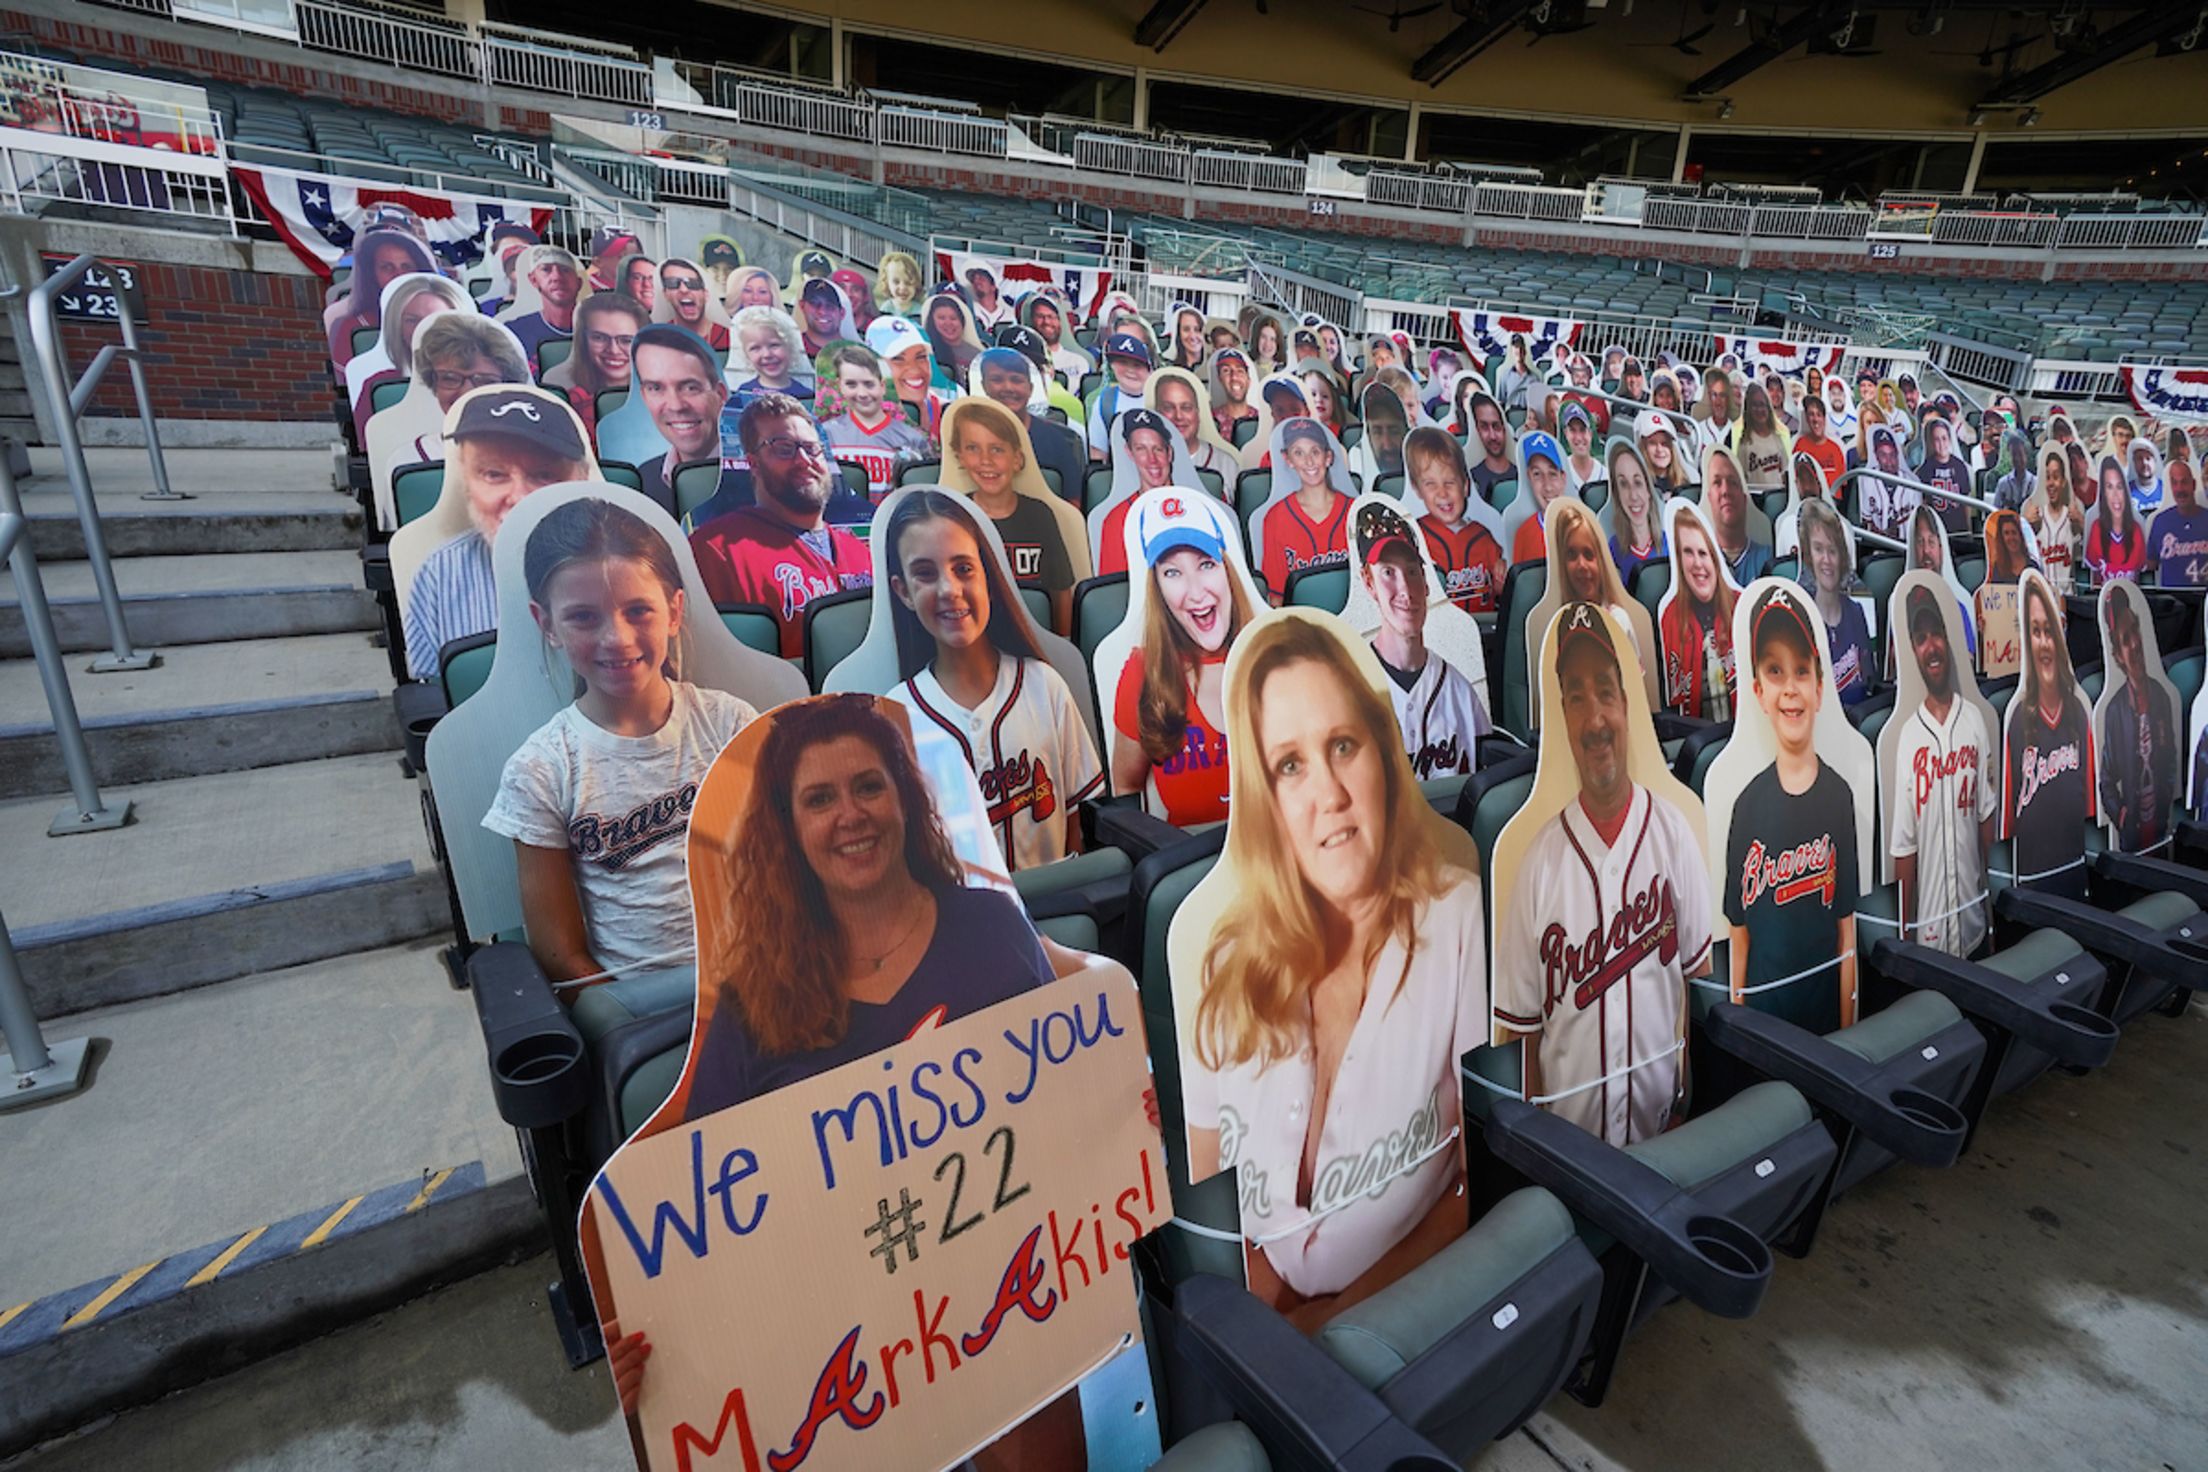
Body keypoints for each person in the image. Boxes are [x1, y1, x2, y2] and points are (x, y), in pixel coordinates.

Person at [1184, 613, 1483, 1326]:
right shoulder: (1221, 960)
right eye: (1290, 765)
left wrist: (1334, 1325)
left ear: (1383, 754)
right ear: (1263, 799)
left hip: (1412, 1325)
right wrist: (1272, 1341)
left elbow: (1475, 1187)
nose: (1329, 795)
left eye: (1342, 746)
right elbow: (1212, 1207)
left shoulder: (1457, 917)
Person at [484, 496, 757, 985]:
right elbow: (560, 956)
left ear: (674, 612)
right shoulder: (542, 770)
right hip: (647, 1015)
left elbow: (782, 878)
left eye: (638, 611)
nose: (618, 639)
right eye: (584, 618)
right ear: (546, 624)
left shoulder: (729, 724)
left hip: (760, 978)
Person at [1495, 601, 1712, 1146]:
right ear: (1561, 718)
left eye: (1606, 693)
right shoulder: (1538, 864)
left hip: (1666, 1142)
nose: (1595, 720)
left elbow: (1698, 985)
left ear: (1628, 704)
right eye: (1575, 697)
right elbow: (1522, 1035)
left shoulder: (1673, 834)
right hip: (1571, 1158)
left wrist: (1690, 1103)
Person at [883, 491, 1102, 870]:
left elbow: (1076, 831)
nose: (949, 589)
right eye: (925, 573)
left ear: (988, 574)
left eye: (963, 568)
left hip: (1057, 914)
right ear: (902, 590)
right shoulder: (896, 715)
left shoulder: (1043, 686)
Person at [1724, 585, 1858, 1026]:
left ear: (1820, 689)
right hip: (1766, 1029)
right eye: (1775, 671)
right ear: (1759, 691)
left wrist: (1848, 1034)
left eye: (1801, 671)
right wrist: (1743, 1038)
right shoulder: (1746, 805)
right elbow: (1739, 941)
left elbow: (1846, 936)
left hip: (1823, 1025)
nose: (1790, 689)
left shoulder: (1839, 796)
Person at [402, 388, 592, 680]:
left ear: (581, 479)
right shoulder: (439, 576)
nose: (519, 497)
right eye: (493, 474)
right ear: (467, 482)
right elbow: (433, 702)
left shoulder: (629, 566)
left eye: (543, 475)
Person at [690, 393, 872, 657]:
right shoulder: (715, 550)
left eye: (811, 449)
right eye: (783, 448)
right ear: (753, 463)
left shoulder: (861, 552)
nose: (803, 460)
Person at [1112, 494, 1256, 825]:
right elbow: (1125, 789)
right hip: (1191, 869)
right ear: (1158, 589)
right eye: (1173, 573)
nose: (1194, 592)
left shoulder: (1274, 654)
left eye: (1206, 564)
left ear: (1227, 571)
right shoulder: (1142, 673)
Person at [1892, 584, 1996, 957]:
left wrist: (1989, 897)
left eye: (1936, 634)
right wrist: (1906, 934)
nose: (1931, 646)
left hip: (1974, 919)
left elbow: (1986, 818)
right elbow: (1905, 848)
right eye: (1921, 638)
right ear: (1914, 650)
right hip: (1930, 929)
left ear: (1948, 641)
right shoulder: (1908, 736)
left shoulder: (1973, 721)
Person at [1355, 502, 1488, 778]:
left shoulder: (1460, 695)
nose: (1405, 589)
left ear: (1426, 582)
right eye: (1388, 573)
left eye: (1412, 571)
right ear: (1369, 582)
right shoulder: (1352, 694)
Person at [943, 398, 1079, 631]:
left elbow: (1061, 592)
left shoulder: (1040, 515)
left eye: (997, 449)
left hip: (1036, 641)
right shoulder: (952, 518)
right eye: (973, 448)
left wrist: (1061, 645)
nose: (986, 461)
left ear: (1017, 459)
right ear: (960, 457)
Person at [2003, 572, 2093, 896]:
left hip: (2073, 870)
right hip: (2032, 887)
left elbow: (2088, 809)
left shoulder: (2081, 709)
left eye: (2048, 631)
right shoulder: (2015, 717)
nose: (2043, 642)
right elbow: (2010, 828)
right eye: (2034, 633)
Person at [2099, 587, 2178, 853]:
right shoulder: (2114, 712)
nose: (2134, 643)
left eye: (2135, 630)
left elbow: (2170, 761)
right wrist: (2120, 813)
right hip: (2131, 836)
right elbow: (2106, 780)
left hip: (2161, 828)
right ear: (2118, 655)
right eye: (2125, 638)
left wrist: (2166, 801)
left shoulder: (2162, 696)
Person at [625, 325, 732, 514]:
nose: (675, 406)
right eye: (656, 388)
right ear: (644, 396)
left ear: (721, 394)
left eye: (690, 387)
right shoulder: (644, 480)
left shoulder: (762, 475)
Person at [1408, 425, 1503, 615]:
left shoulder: (1483, 537)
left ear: (1465, 486)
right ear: (1417, 489)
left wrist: (1501, 583)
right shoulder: (1414, 538)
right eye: (1430, 484)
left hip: (1485, 634)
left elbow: (1498, 595)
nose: (1442, 493)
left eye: (1450, 482)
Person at [973, 345, 1086, 504]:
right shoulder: (970, 438)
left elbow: (1073, 504)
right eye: (997, 379)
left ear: (1030, 388)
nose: (1008, 388)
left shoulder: (1059, 440)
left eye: (1016, 380)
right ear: (984, 385)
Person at [820, 344, 930, 501]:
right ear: (840, 387)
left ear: (882, 386)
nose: (862, 393)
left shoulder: (911, 439)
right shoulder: (826, 435)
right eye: (851, 384)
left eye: (869, 384)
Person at [1260, 418, 1352, 598]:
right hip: (1302, 621)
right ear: (1288, 459)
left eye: (1315, 451)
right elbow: (1276, 596)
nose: (1309, 461)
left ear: (1328, 457)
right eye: (1299, 453)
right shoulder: (1276, 518)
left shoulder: (1354, 511)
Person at [1660, 505, 1736, 720]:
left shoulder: (1740, 606)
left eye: (1703, 553)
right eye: (1688, 553)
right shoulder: (1670, 618)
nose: (1697, 564)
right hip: (1699, 736)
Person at [1798, 499, 1871, 705]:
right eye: (1819, 549)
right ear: (1809, 556)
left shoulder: (1857, 613)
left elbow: (1867, 684)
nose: (1827, 560)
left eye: (1832, 550)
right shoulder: (1802, 620)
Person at [544, 293, 644, 445]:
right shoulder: (565, 397)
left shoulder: (667, 396)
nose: (614, 350)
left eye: (626, 340)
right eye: (599, 338)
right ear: (583, 341)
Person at [866, 315, 948, 446]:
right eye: (898, 359)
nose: (914, 370)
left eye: (921, 357)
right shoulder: (853, 420)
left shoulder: (950, 415)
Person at [1150, 366, 1235, 480]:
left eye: (1186, 408)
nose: (1178, 416)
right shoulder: (1142, 464)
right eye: (1168, 408)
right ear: (1156, 413)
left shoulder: (1226, 464)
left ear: (1197, 414)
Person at [504, 246, 582, 371]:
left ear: (579, 283)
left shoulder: (604, 329)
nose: (557, 277)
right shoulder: (514, 332)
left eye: (565, 270)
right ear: (533, 280)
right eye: (546, 269)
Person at [1704, 445, 1772, 583]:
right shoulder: (1699, 564)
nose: (1725, 491)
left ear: (1744, 498)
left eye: (1732, 482)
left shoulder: (1769, 558)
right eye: (1717, 483)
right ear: (1709, 498)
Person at [1604, 442, 1666, 588]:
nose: (1633, 496)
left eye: (1638, 483)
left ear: (1648, 490)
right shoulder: (1612, 551)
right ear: (1616, 493)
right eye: (1624, 484)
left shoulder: (1672, 543)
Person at [1086, 331, 1155, 460]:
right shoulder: (1105, 402)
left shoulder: (1161, 399)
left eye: (1137, 365)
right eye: (1123, 362)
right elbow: (1098, 454)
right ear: (1112, 366)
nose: (1130, 370)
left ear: (1150, 369)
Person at [1509, 430, 1571, 565]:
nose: (1547, 486)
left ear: (1563, 478)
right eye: (1537, 474)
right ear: (1529, 478)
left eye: (1553, 474)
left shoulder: (1583, 527)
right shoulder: (1524, 534)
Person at [730, 305, 812, 405]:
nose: (767, 354)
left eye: (774, 345)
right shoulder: (744, 393)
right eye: (755, 348)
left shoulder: (805, 395)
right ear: (747, 355)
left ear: (789, 348)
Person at [2086, 454, 2148, 581]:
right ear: (2103, 493)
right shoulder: (2096, 529)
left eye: (2119, 487)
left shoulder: (2136, 530)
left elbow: (2138, 581)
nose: (2115, 495)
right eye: (2109, 487)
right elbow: (2095, 582)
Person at [2150, 459, 2208, 587]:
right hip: (2172, 603)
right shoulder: (2160, 522)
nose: (2179, 489)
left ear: (2193, 484)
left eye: (2184, 482)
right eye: (2174, 483)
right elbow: (2150, 566)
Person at [1857, 426, 1919, 539]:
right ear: (1876, 456)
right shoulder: (1866, 480)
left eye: (1892, 454)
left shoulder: (1911, 482)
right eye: (1883, 455)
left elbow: (1918, 522)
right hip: (1879, 546)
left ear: (1897, 454)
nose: (1889, 461)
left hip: (1908, 544)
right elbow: (1866, 520)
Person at [658, 258, 729, 353]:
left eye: (692, 284)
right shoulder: (658, 340)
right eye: (673, 283)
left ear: (706, 293)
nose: (684, 290)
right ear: (665, 294)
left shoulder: (729, 337)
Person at [1729, 383, 1791, 493]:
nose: (1759, 410)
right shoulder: (1744, 443)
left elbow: (1785, 472)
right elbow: (1740, 479)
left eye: (1762, 405)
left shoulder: (1777, 438)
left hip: (1777, 496)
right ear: (1748, 410)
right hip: (1756, 499)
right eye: (1755, 405)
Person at [1917, 416, 1972, 532]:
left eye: (1944, 438)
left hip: (1958, 528)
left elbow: (1966, 502)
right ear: (1931, 442)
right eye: (1936, 439)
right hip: (1936, 529)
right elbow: (1922, 504)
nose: (1941, 444)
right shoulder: (1924, 470)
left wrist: (1969, 530)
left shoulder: (1960, 467)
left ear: (1950, 439)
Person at [1021, 292, 1089, 384]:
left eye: (1051, 316)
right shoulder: (1024, 363)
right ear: (1032, 321)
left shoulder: (1079, 362)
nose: (1047, 321)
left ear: (1060, 321)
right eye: (1040, 316)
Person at [921, 292, 982, 383]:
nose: (948, 323)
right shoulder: (923, 353)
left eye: (953, 318)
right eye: (942, 318)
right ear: (932, 321)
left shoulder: (977, 355)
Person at [1466, 391, 1515, 501]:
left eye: (1496, 426)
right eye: (1484, 427)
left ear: (1504, 428)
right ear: (1477, 430)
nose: (1492, 436)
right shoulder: (1471, 480)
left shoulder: (1521, 476)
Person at [1792, 392, 1846, 491]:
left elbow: (1843, 484)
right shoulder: (1800, 446)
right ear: (1807, 419)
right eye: (1811, 414)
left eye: (1819, 414)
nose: (1815, 419)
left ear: (1824, 419)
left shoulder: (1835, 448)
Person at [1210, 347, 1259, 441]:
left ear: (1248, 380)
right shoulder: (1211, 421)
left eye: (1240, 371)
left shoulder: (1261, 421)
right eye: (1226, 371)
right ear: (1220, 379)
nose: (1234, 377)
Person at [796, 277, 854, 358]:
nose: (822, 312)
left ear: (842, 313)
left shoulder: (857, 355)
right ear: (802, 306)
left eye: (830, 306)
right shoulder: (789, 347)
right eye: (814, 303)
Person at [1636, 411, 1688, 494]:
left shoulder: (1683, 483)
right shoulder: (1636, 483)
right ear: (1643, 447)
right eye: (1652, 443)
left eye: (1664, 443)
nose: (1659, 449)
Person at [1991, 429, 2035, 512]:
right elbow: (1995, 512)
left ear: (2026, 454)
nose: (2018, 459)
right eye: (2014, 454)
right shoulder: (2003, 483)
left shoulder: (2035, 483)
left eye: (2020, 454)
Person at [964, 262, 1015, 332]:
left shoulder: (1009, 317)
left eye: (981, 278)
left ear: (993, 286)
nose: (976, 281)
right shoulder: (968, 311)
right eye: (974, 280)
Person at [875, 251, 923, 319]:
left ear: (916, 284)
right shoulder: (886, 309)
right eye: (896, 282)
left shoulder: (920, 311)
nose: (902, 287)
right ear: (886, 283)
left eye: (908, 283)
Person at [2128, 442, 2166, 518]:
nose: (2144, 463)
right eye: (2139, 459)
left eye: (2148, 458)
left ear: (2155, 461)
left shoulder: (2166, 489)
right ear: (2134, 463)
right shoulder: (2125, 491)